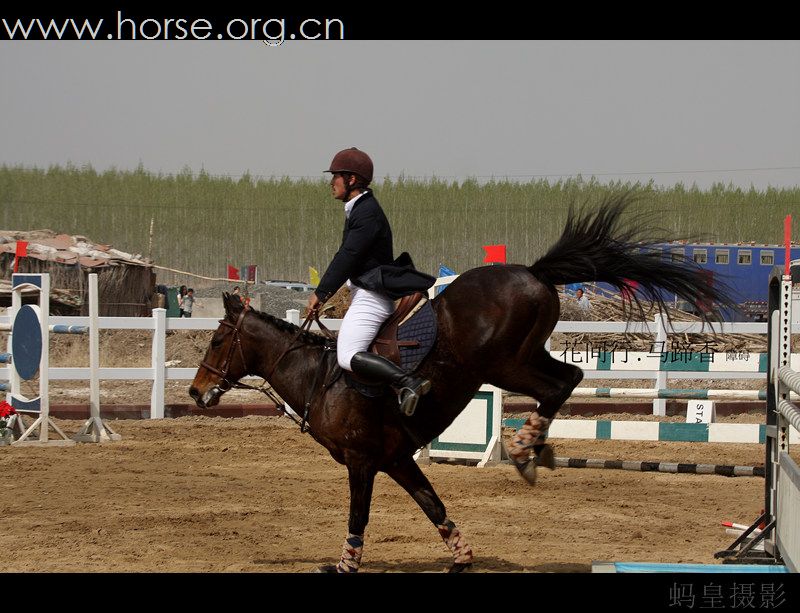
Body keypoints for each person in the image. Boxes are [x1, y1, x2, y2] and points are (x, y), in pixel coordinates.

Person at [306, 147, 435, 416]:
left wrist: (321, 293)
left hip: (371, 295)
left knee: (346, 354)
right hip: (364, 292)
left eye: (336, 176)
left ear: (352, 179)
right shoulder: (359, 208)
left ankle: (408, 383)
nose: (331, 182)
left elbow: (348, 256)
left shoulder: (367, 212)